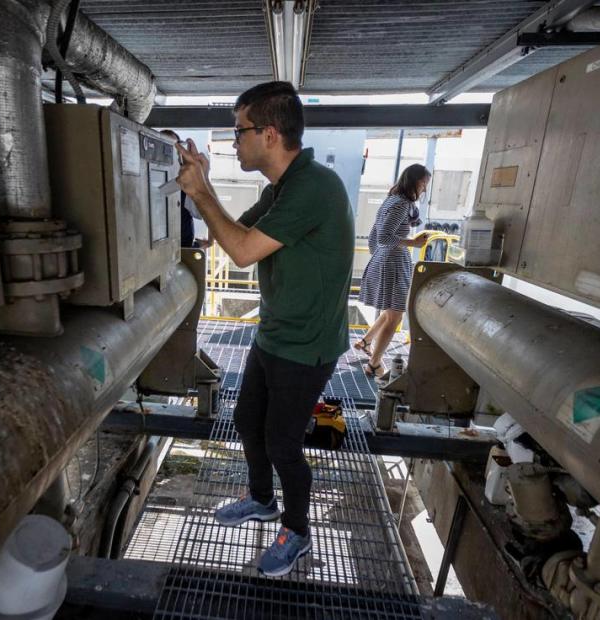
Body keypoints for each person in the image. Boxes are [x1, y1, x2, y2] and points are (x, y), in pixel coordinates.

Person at [174, 81, 354, 577]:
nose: (235, 141)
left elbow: (244, 251)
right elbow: (227, 234)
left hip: (307, 344)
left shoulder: (315, 186)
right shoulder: (284, 188)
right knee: (249, 422)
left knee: (282, 445)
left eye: (239, 131)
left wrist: (203, 192)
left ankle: (297, 532)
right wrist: (203, 186)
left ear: (270, 134)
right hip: (276, 332)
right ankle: (261, 499)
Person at [354, 163, 431, 377]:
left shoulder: (391, 200)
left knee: (390, 311)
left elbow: (373, 237)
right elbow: (384, 237)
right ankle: (374, 364)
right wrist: (413, 244)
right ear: (415, 182)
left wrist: (379, 257)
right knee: (395, 316)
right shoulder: (402, 204)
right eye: (424, 183)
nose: (424, 189)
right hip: (394, 263)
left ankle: (366, 342)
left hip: (386, 260)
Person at [160, 129, 209, 249]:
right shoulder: (149, 176)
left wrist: (203, 177)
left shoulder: (186, 176)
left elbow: (200, 212)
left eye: (174, 147)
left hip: (183, 247)